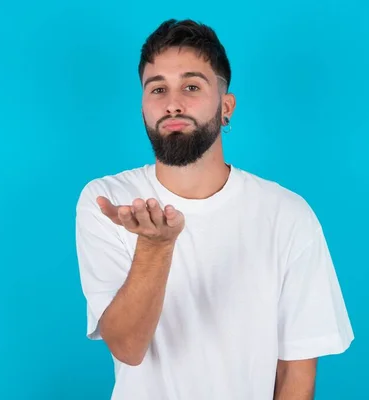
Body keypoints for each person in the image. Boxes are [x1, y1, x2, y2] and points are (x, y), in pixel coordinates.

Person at [75, 18, 354, 400]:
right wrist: (155, 248)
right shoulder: (109, 201)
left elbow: (295, 371)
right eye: (157, 89)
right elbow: (126, 347)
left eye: (191, 86)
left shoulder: (287, 215)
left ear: (226, 107)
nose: (172, 103)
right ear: (142, 105)